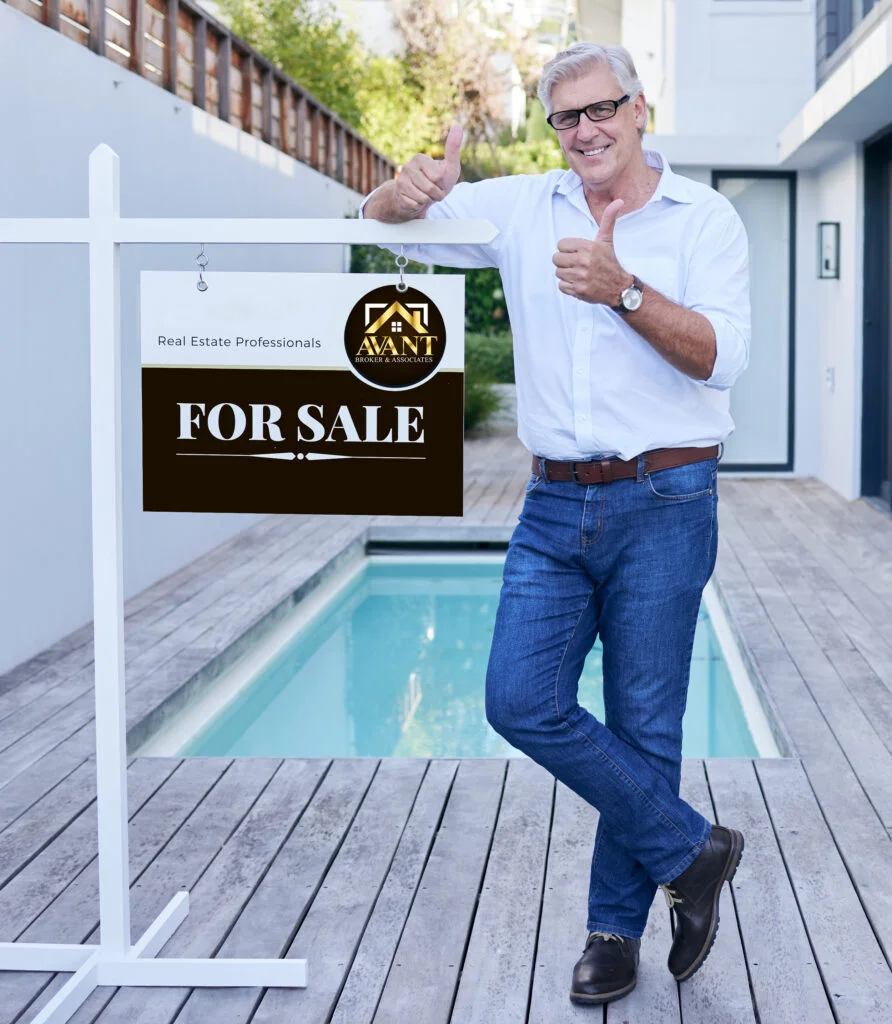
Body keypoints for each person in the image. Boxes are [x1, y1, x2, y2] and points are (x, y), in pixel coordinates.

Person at [360, 41, 748, 1007]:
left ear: (640, 108)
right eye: (567, 117)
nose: (586, 130)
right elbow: (385, 230)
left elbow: (720, 359)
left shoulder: (706, 219)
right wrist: (400, 196)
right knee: (517, 699)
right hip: (552, 502)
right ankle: (690, 853)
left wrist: (620, 288)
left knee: (644, 723)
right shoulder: (521, 205)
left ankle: (613, 933)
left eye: (602, 109)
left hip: (667, 498)